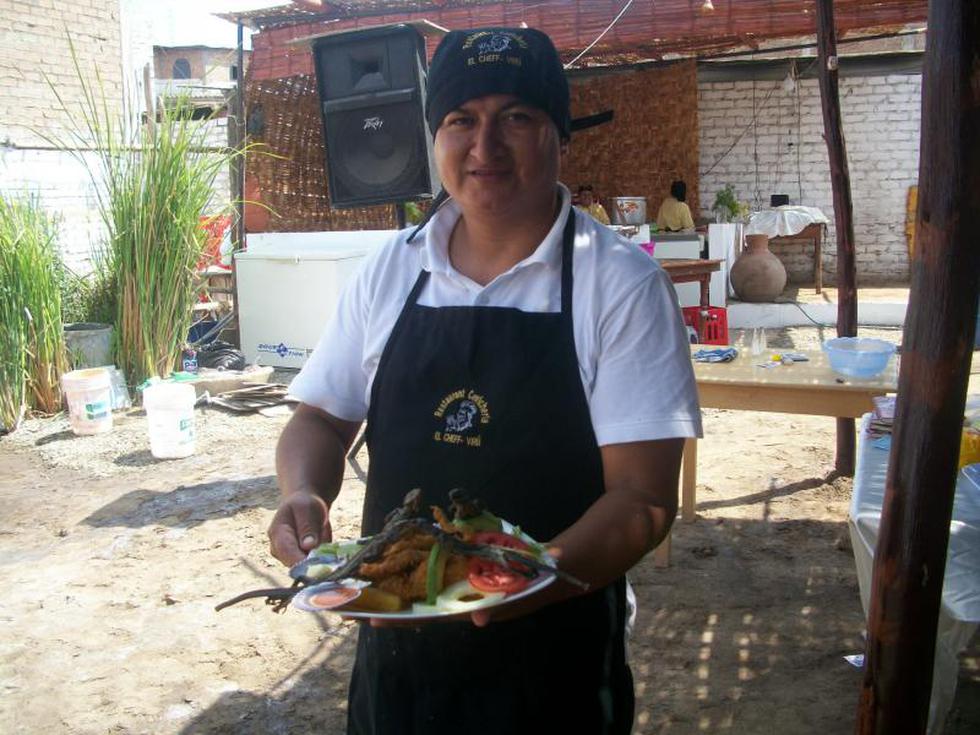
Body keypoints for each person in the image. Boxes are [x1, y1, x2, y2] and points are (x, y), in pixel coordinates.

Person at [267, 26, 701, 735]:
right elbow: (320, 416)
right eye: (460, 119)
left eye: (517, 118)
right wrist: (302, 491)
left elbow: (644, 498)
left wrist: (528, 577)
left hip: (553, 662)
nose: (484, 145)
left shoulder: (619, 283)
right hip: (396, 658)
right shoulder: (390, 269)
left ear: (560, 133)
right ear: (434, 137)